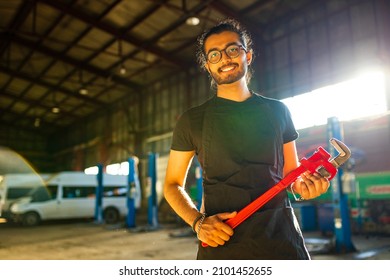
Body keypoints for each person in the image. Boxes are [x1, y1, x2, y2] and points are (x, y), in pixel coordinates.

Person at [163, 18, 330, 260]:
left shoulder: (278, 111)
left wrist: (306, 188)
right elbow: (171, 184)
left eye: (232, 49)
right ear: (208, 67)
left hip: (281, 240)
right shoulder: (192, 120)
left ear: (247, 56)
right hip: (222, 243)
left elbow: (291, 176)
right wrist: (198, 223)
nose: (225, 59)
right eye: (214, 55)